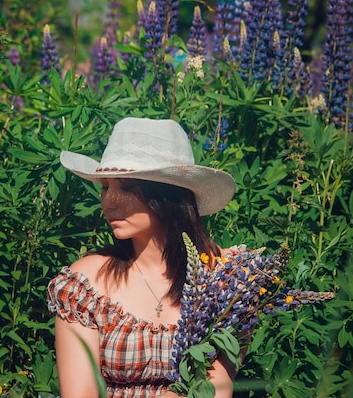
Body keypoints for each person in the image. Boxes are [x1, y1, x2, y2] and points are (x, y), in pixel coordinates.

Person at [47, 117, 237, 397]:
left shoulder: (224, 278)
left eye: (125, 188)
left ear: (166, 195)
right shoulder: (85, 284)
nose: (108, 201)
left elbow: (216, 390)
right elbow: (81, 393)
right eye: (105, 187)